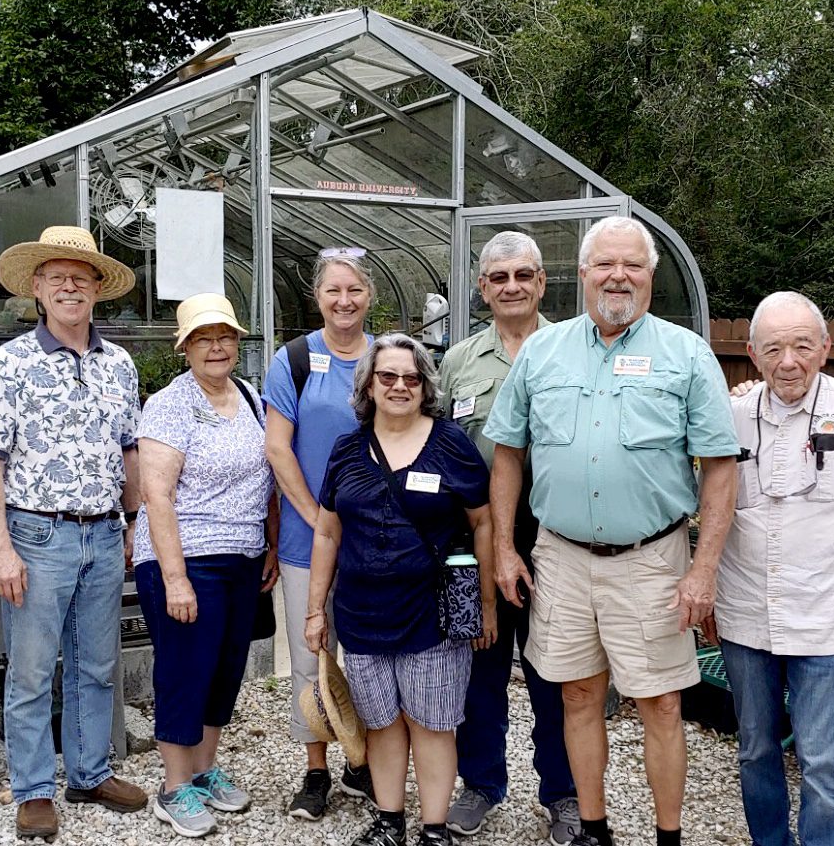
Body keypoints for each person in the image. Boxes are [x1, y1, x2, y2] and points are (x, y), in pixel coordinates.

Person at [483, 216, 739, 846]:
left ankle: (668, 835)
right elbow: (508, 453)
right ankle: (593, 829)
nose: (617, 276)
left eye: (632, 265)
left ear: (649, 276)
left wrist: (702, 569)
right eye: (604, 264)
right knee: (577, 697)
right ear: (582, 274)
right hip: (561, 557)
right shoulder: (543, 352)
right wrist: (504, 550)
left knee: (662, 704)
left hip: (652, 559)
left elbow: (721, 469)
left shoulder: (686, 354)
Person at [0, 226, 146, 839]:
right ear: (37, 288)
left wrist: (131, 521)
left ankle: (91, 772)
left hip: (101, 533)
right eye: (57, 275)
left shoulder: (118, 364)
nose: (70, 284)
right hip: (36, 536)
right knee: (32, 668)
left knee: (97, 664)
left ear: (98, 289)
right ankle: (35, 788)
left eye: (82, 276)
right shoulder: (11, 362)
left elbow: (129, 449)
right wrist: (0, 548)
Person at [716, 291, 834, 846]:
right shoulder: (731, 414)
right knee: (754, 750)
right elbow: (712, 506)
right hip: (746, 613)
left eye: (803, 345)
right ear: (753, 353)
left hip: (828, 619)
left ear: (825, 348)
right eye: (773, 348)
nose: (789, 362)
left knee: (824, 761)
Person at [305, 333, 495, 846]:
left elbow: (483, 521)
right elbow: (327, 530)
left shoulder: (451, 442)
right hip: (362, 614)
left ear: (425, 386)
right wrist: (315, 610)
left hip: (430, 614)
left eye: (411, 378)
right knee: (382, 723)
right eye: (387, 376)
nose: (399, 386)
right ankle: (390, 822)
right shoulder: (348, 448)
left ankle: (434, 830)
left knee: (432, 724)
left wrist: (483, 599)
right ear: (368, 385)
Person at [437, 231, 579, 844]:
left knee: (556, 667)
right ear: (481, 288)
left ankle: (564, 793)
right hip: (474, 535)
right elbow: (439, 442)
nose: (512, 286)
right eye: (499, 278)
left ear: (543, 282)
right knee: (479, 663)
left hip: (556, 531)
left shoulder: (574, 350)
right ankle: (481, 783)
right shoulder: (459, 360)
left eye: (524, 275)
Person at [134, 293, 279, 838]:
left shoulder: (249, 396)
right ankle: (173, 787)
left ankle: (203, 769)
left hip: (241, 558)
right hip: (187, 559)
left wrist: (267, 540)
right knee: (184, 671)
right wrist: (176, 578)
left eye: (225, 336)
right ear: (185, 347)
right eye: (203, 337)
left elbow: (266, 477)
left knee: (224, 672)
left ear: (238, 343)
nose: (216, 346)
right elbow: (157, 494)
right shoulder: (170, 405)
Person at [263, 249, 376, 818]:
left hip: (376, 542)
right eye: (334, 290)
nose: (344, 301)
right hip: (309, 540)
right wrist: (311, 514)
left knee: (371, 656)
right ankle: (316, 771)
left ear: (369, 296)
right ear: (318, 297)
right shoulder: (295, 360)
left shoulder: (389, 358)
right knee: (312, 658)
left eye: (354, 290)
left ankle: (364, 763)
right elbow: (278, 447)